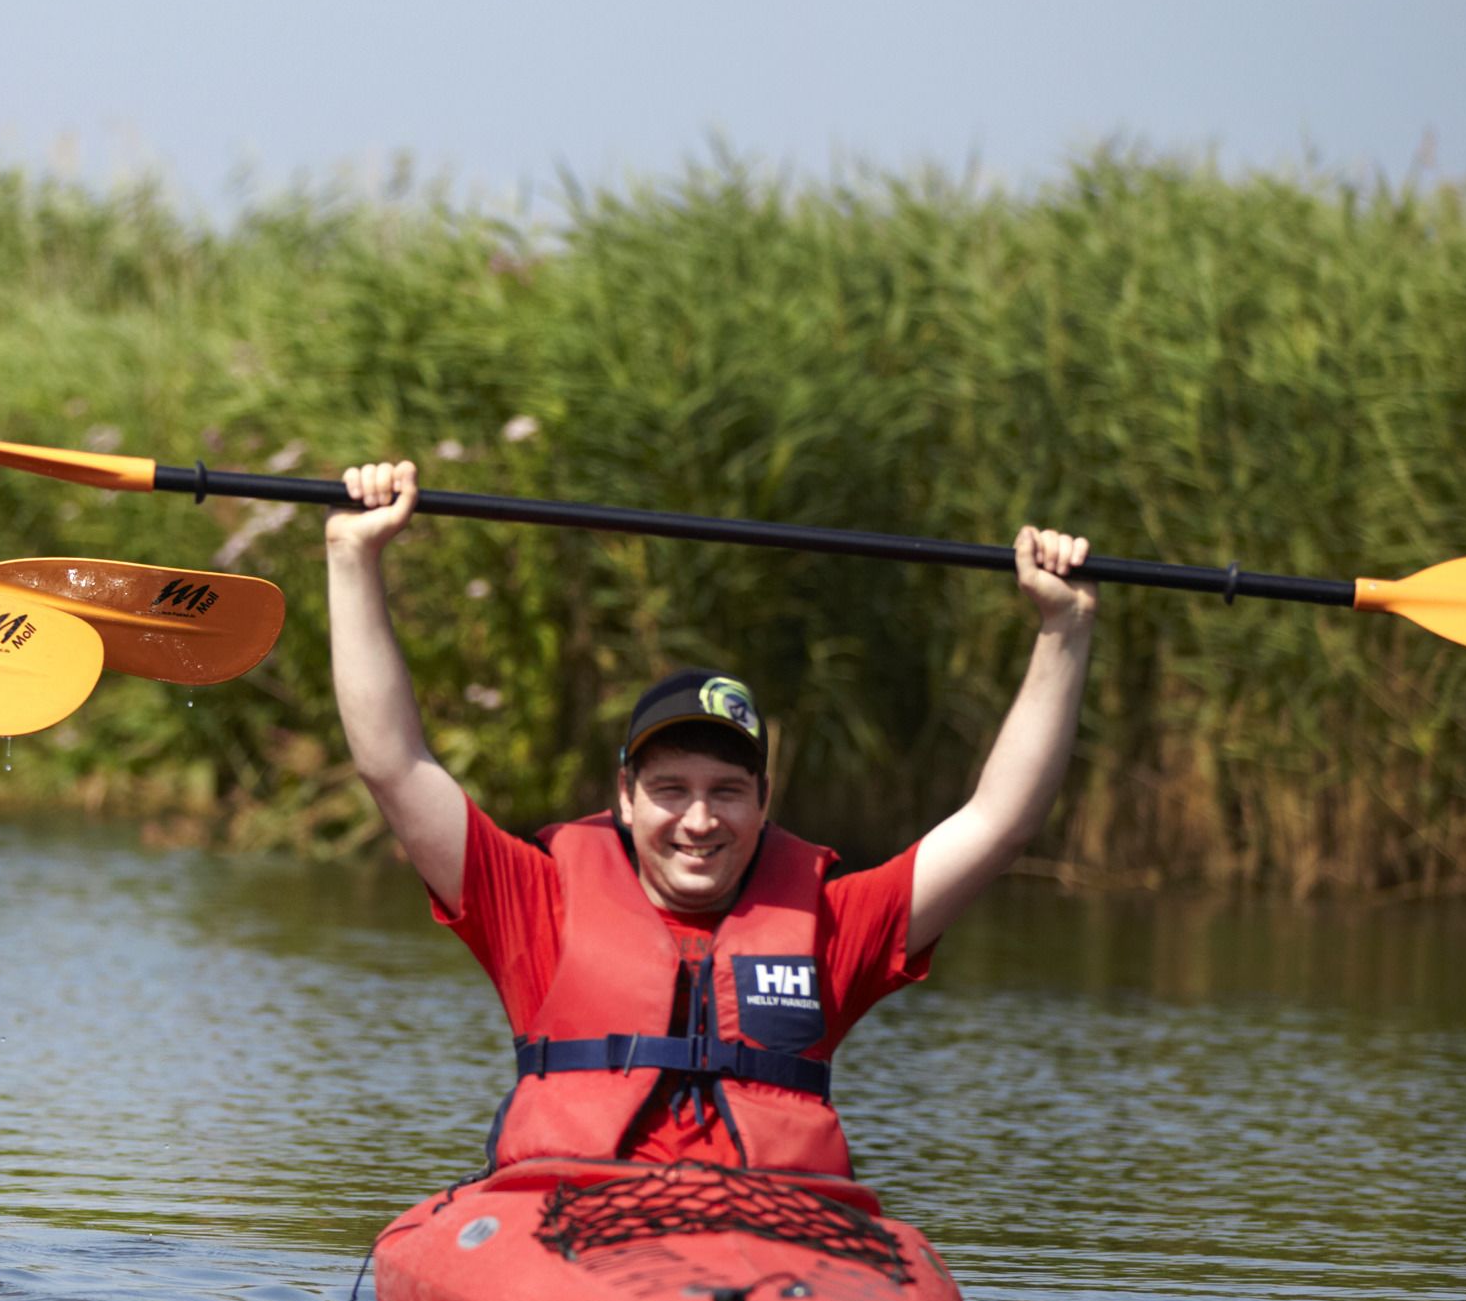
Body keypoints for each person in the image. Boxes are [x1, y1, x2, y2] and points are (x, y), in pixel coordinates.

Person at [324, 459, 1098, 1176]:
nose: (699, 820)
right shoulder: (531, 903)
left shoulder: (834, 924)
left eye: (727, 791)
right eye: (670, 790)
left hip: (767, 1237)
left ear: (764, 804)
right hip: (571, 1226)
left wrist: (1062, 627)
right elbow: (394, 765)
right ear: (623, 799)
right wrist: (353, 558)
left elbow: (1000, 823)